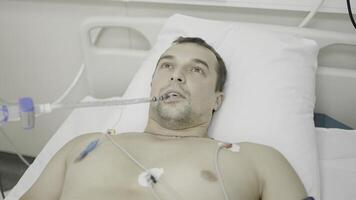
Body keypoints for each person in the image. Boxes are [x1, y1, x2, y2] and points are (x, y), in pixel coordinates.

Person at [20, 37, 310, 200]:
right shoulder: (85, 146)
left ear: (217, 100)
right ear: (152, 86)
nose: (176, 75)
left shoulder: (257, 160)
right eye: (167, 66)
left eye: (196, 70)